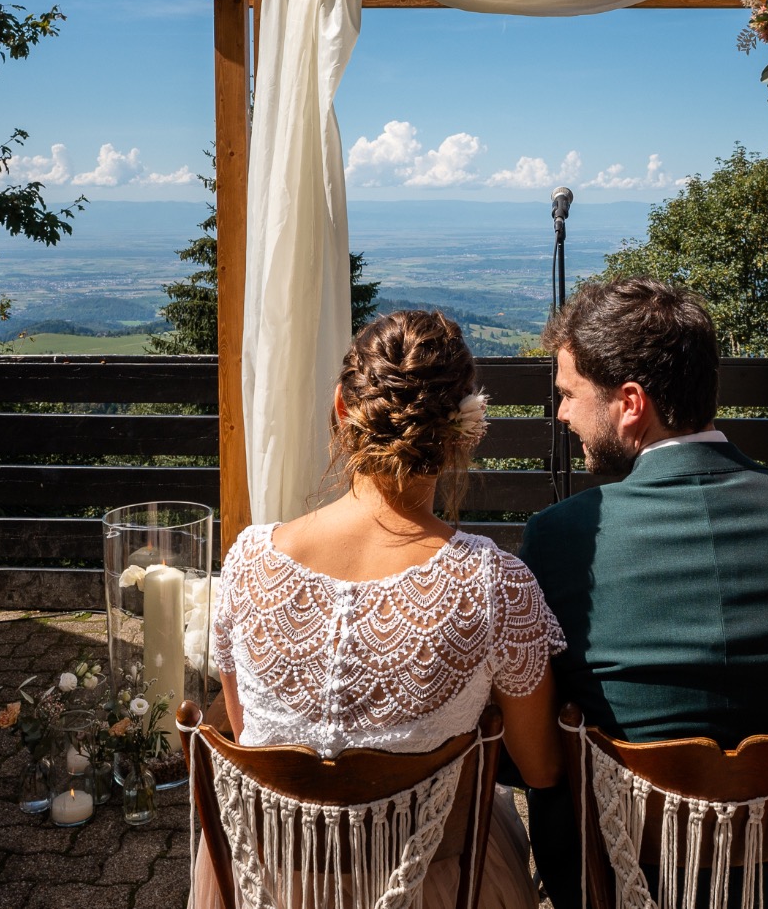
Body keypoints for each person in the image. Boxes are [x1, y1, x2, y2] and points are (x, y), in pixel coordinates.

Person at [519, 277, 768, 909]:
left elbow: (538, 757)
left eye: (568, 394)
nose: (561, 414)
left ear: (630, 402)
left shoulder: (562, 540)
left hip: (616, 883)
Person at [193, 310, 563, 909]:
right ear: (462, 431)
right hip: (434, 885)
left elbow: (246, 732)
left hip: (276, 882)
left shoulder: (249, 561)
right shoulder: (494, 584)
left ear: (342, 408)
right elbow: (542, 768)